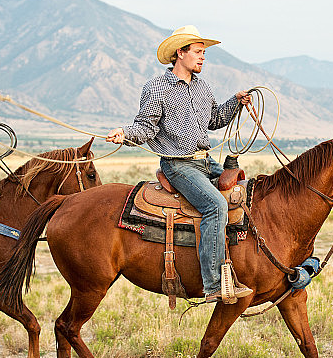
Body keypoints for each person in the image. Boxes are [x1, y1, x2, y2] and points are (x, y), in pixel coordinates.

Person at [107, 25, 253, 304]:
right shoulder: (157, 88)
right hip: (178, 165)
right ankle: (213, 284)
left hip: (205, 161)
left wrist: (235, 102)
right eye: (198, 52)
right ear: (180, 53)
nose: (203, 57)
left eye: (204, 53)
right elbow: (145, 127)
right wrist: (124, 133)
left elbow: (215, 120)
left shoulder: (202, 87)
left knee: (246, 192)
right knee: (215, 205)